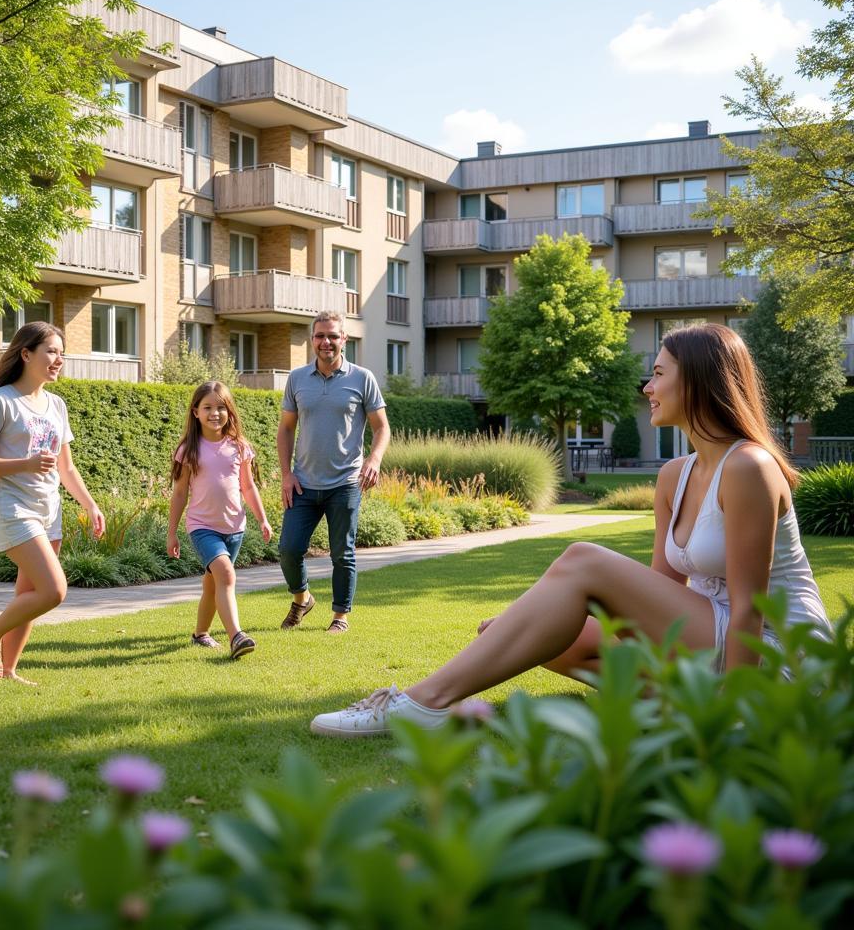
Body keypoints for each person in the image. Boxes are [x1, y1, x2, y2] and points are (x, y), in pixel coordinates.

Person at [311, 323, 831, 736]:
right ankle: (665, 708)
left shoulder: (749, 467)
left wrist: (734, 713)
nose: (647, 388)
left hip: (771, 653)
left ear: (695, 380)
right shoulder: (675, 474)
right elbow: (656, 600)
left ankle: (419, 703)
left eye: (657, 373)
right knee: (519, 636)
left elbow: (748, 607)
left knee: (582, 560)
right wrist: (539, 630)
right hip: (704, 638)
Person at [0, 321, 105, 683]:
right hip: (14, 507)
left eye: (62, 353)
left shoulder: (56, 404)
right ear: (26, 353)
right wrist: (25, 464)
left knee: (28, 594)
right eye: (52, 351)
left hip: (49, 510)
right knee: (53, 590)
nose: (59, 359)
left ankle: (9, 670)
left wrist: (90, 504)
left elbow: (67, 468)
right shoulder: (0, 401)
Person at [277, 310, 390, 634]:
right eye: (320, 336)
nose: (326, 342)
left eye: (332, 336)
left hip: (345, 482)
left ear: (344, 340)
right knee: (289, 549)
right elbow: (285, 429)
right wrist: (287, 474)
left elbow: (382, 427)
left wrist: (374, 460)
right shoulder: (297, 378)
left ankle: (340, 616)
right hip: (303, 483)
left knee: (343, 553)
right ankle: (302, 599)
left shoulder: (362, 378)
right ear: (312, 340)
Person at [167, 380, 272, 659]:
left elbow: (248, 487)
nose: (215, 413)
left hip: (234, 528)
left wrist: (262, 519)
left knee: (213, 584)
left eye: (221, 407)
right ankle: (236, 636)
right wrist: (172, 532)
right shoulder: (189, 450)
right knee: (225, 574)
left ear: (230, 411)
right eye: (208, 407)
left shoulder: (239, 446)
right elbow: (179, 494)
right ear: (195, 412)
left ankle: (200, 633)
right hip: (202, 527)